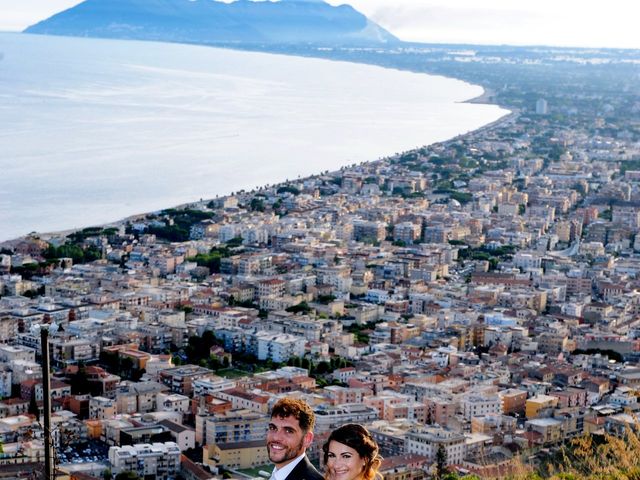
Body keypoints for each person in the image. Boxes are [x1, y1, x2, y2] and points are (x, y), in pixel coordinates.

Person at [267, 397, 324, 480]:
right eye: (273, 428)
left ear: (307, 439)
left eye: (288, 431)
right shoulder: (277, 475)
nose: (276, 437)